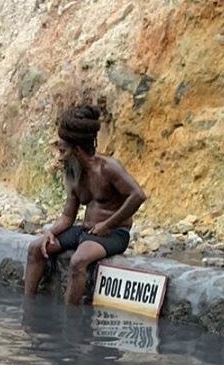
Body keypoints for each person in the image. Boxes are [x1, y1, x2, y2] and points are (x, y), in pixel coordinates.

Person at [24, 105, 147, 305]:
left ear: (78, 149)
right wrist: (50, 231)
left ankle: (69, 322)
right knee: (36, 248)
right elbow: (68, 217)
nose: (59, 154)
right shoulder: (73, 172)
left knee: (78, 261)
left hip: (113, 234)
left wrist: (108, 225)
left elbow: (138, 195)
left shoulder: (108, 168)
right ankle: (28, 308)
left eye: (63, 150)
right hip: (85, 230)